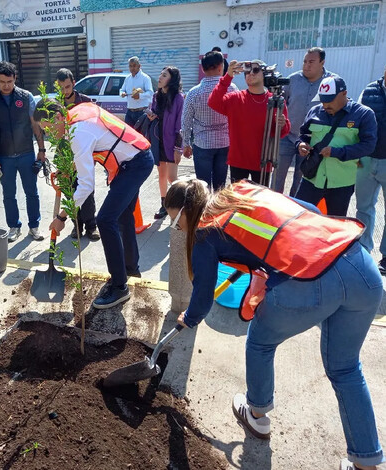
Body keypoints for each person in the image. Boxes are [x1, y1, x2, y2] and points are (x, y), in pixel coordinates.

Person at [165, 178, 383, 470]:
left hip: (309, 280)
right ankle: (366, 462)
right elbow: (304, 211)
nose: (179, 229)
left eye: (176, 222)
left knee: (259, 342)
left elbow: (203, 294)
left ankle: (257, 414)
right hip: (360, 266)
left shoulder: (205, 231)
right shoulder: (243, 191)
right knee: (345, 369)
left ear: (187, 212)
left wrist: (189, 318)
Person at [35, 100, 154, 308]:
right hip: (135, 158)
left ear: (59, 117)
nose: (50, 136)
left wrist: (62, 217)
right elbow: (95, 141)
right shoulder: (76, 115)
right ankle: (129, 269)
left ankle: (119, 287)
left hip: (135, 164)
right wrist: (72, 166)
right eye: (45, 132)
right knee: (122, 215)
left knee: (105, 219)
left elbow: (86, 185)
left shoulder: (78, 133)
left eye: (49, 129)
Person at [0, 61, 45, 242]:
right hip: (4, 157)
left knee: (32, 192)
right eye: (2, 82)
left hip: (27, 154)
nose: (6, 85)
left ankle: (34, 226)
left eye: (9, 81)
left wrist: (41, 150)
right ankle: (13, 227)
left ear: (15, 78)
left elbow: (35, 125)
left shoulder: (26, 97)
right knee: (9, 195)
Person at [295, 76, 377, 217]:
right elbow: (303, 135)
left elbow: (368, 145)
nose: (325, 104)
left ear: (344, 93)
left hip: (341, 183)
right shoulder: (315, 111)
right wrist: (300, 144)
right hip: (312, 179)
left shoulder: (363, 114)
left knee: (335, 225)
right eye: (322, 100)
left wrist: (337, 152)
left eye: (330, 100)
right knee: (297, 218)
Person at [208, 60, 290, 184]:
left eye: (255, 70)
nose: (250, 74)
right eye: (247, 71)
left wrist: (283, 124)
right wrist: (228, 76)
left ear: (264, 73)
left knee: (260, 200)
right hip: (238, 160)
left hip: (263, 159)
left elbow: (282, 132)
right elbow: (213, 102)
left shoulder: (275, 100)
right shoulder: (235, 98)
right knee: (238, 200)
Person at [274, 47, 337, 196]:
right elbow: (280, 103)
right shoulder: (292, 80)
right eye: (304, 61)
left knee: (301, 181)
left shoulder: (331, 82)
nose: (306, 65)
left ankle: (295, 211)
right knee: (277, 179)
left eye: (311, 62)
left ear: (322, 62)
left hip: (312, 142)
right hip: (288, 137)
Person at [182, 50, 238, 191]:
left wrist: (186, 143)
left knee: (202, 187)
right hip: (224, 143)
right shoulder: (232, 89)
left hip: (202, 144)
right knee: (220, 187)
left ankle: (203, 211)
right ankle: (218, 212)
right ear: (221, 67)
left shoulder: (194, 92)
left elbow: (186, 121)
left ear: (202, 68)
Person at [55, 68, 99, 240]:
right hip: (64, 153)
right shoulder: (56, 104)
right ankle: (77, 226)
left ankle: (91, 226)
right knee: (69, 190)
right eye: (61, 88)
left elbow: (95, 127)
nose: (65, 91)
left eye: (67, 86)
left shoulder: (86, 103)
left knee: (86, 189)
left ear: (73, 83)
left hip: (84, 150)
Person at [355, 67, 386, 274]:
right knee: (363, 207)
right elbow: (357, 122)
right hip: (366, 159)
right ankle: (364, 251)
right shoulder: (368, 91)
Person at [147, 66, 184, 219]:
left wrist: (178, 148)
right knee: (161, 174)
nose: (160, 78)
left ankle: (180, 204)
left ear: (172, 79)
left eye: (164, 75)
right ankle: (164, 205)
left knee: (172, 177)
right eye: (160, 74)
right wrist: (150, 114)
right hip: (158, 140)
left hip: (172, 142)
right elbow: (154, 112)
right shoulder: (157, 96)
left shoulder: (178, 98)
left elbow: (180, 124)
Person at [119, 56, 154, 127]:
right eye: (130, 66)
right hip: (129, 111)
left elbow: (150, 93)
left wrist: (140, 96)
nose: (132, 68)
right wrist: (122, 93)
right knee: (128, 135)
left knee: (141, 134)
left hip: (141, 112)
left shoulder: (145, 78)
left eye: (134, 66)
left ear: (139, 66)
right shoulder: (127, 78)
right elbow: (122, 89)